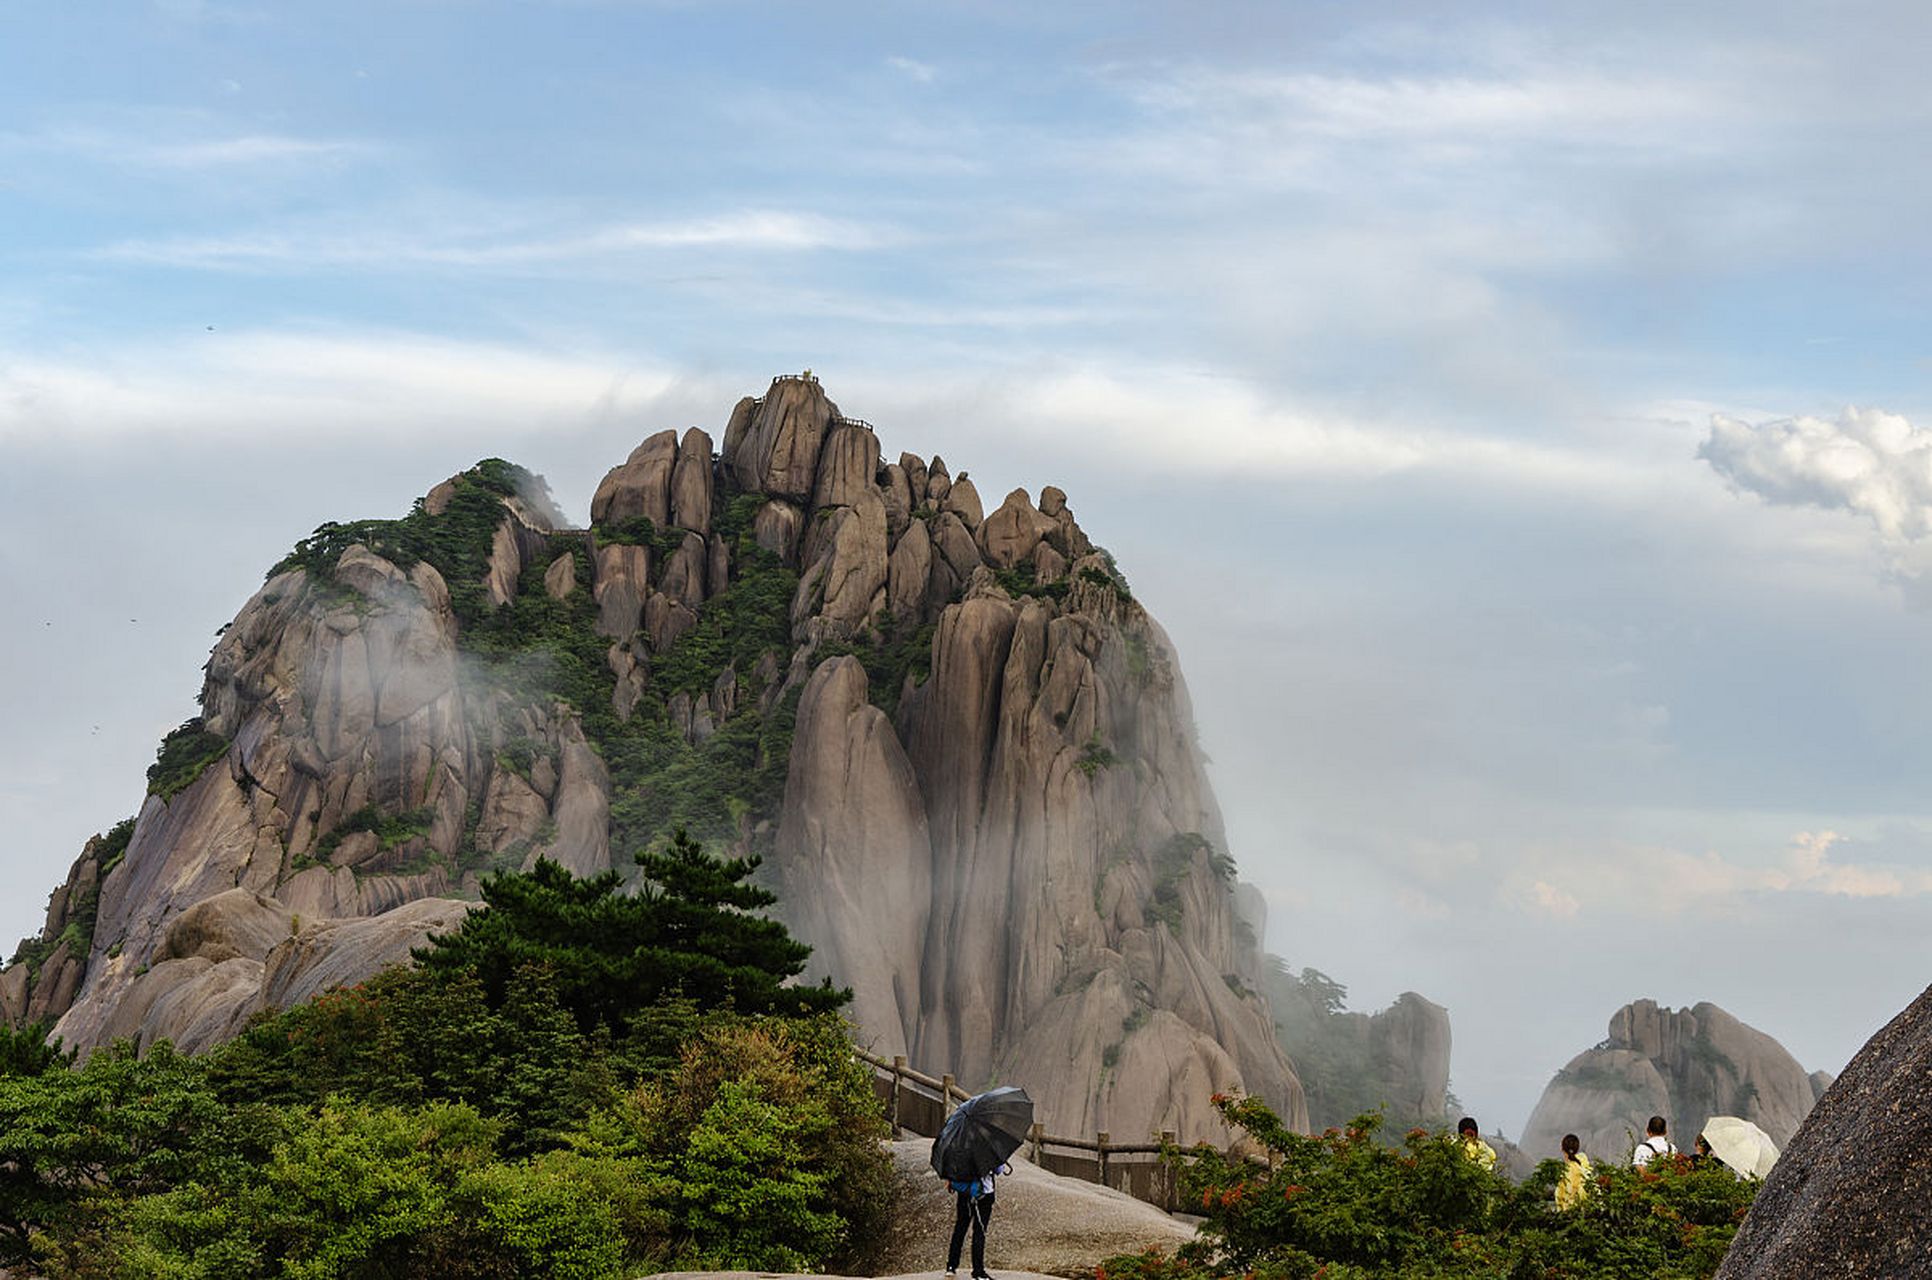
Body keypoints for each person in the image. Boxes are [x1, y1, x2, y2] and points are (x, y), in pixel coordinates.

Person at [945, 1161, 1008, 1280]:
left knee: (960, 1229)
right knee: (979, 1232)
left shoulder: (960, 1151)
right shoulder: (989, 1152)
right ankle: (978, 1271)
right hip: (984, 1195)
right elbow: (999, 1170)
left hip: (965, 1193)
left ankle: (951, 1267)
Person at [1555, 1133, 1592, 1209]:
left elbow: (1565, 1196)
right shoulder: (1583, 1164)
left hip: (1572, 1211)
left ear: (1563, 1149)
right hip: (1586, 1208)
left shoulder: (1569, 1169)